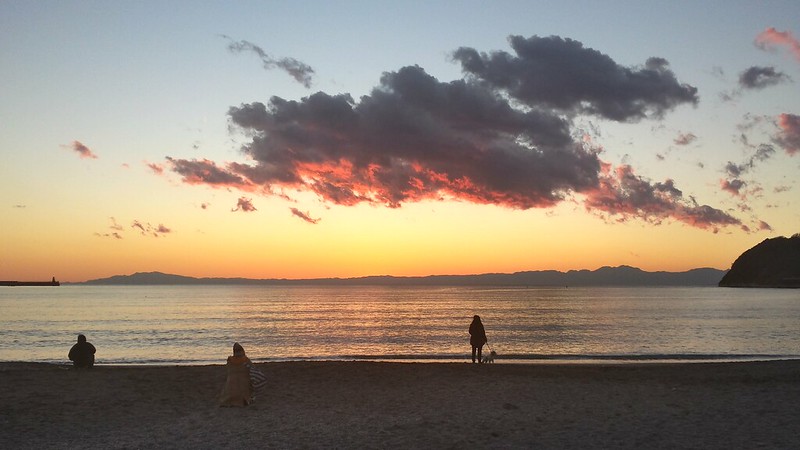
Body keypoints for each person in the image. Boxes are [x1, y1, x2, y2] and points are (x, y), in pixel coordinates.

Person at [219, 342, 254, 407]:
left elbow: (228, 369)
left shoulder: (230, 360)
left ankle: (230, 400)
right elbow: (252, 368)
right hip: (243, 382)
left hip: (231, 383)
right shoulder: (245, 360)